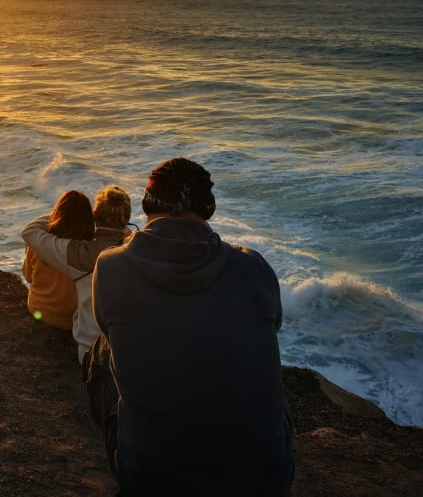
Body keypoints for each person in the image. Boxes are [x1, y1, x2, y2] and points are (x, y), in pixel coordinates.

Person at [92, 157, 294, 496]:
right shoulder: (254, 268)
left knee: (100, 354)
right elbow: (271, 326)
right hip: (265, 480)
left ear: (147, 204)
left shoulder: (112, 267)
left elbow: (110, 330)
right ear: (208, 208)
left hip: (155, 481)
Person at [20, 185, 131, 363]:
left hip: (91, 351)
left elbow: (29, 231)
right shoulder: (138, 249)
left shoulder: (79, 256)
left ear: (95, 216)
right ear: (127, 219)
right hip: (129, 346)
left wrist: (65, 214)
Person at [21, 190, 94, 330]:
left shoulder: (40, 244)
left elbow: (28, 276)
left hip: (40, 310)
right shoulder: (89, 250)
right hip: (74, 319)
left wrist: (56, 216)